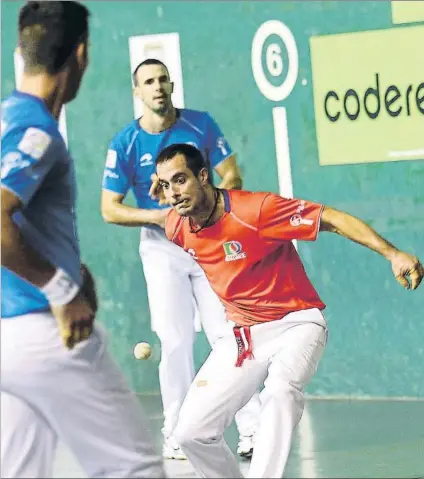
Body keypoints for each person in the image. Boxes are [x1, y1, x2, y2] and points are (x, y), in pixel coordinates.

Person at [154, 143, 424, 478]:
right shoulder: (176, 227)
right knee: (190, 433)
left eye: (180, 180)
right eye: (166, 185)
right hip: (243, 337)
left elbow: (332, 219)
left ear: (204, 176)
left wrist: (392, 253)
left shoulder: (257, 210)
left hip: (298, 323)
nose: (173, 193)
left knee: (281, 393)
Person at [1, 3, 165, 477]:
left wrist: (73, 270)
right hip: (48, 336)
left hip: (5, 340)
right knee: (136, 470)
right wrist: (61, 288)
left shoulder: (7, 118)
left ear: (21, 52)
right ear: (81, 54)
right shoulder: (37, 130)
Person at [101, 58, 260, 459]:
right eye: (148, 82)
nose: (157, 87)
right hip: (161, 250)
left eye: (162, 80)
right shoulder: (125, 144)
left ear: (172, 84)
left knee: (228, 333)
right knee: (174, 342)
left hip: (206, 240)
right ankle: (176, 433)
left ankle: (254, 429)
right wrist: (160, 215)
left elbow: (233, 177)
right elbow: (110, 208)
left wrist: (201, 209)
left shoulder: (200, 125)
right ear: (137, 92)